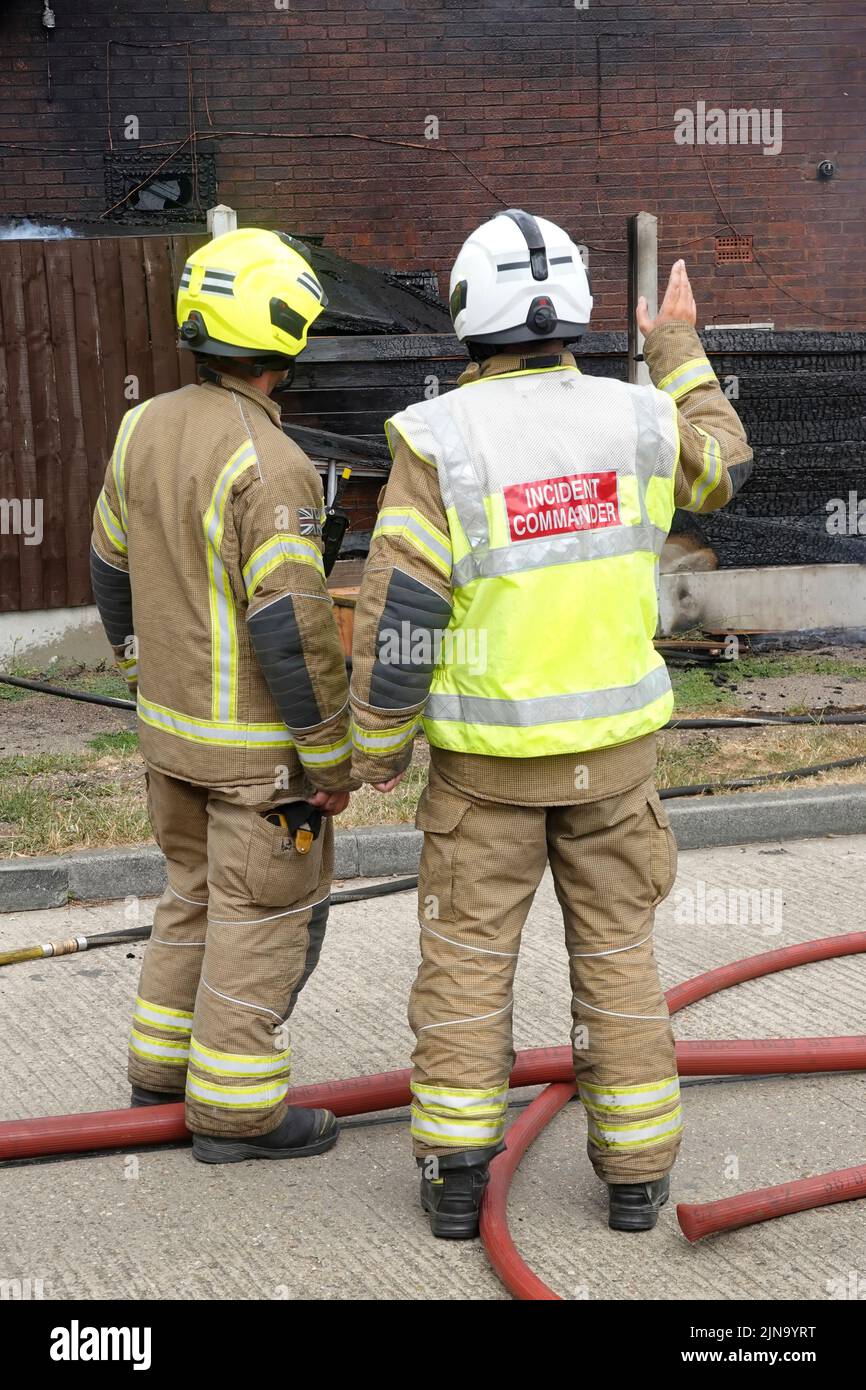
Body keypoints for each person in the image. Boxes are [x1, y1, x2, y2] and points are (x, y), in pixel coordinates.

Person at [349, 209, 753, 1235]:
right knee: (618, 957)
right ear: (569, 311)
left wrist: (377, 746)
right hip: (615, 766)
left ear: (462, 319)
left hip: (485, 773)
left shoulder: (440, 440)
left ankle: (452, 1181)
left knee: (466, 967)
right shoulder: (635, 418)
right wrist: (674, 348)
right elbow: (725, 462)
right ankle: (633, 1179)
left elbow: (400, 612)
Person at [91, 228, 355, 1163]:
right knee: (264, 917)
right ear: (284, 335)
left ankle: (157, 1078)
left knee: (191, 898)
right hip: (255, 759)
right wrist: (330, 758)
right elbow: (292, 626)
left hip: (168, 741)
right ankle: (236, 1114)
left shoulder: (141, 426)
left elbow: (109, 566)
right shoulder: (270, 464)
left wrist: (137, 671)